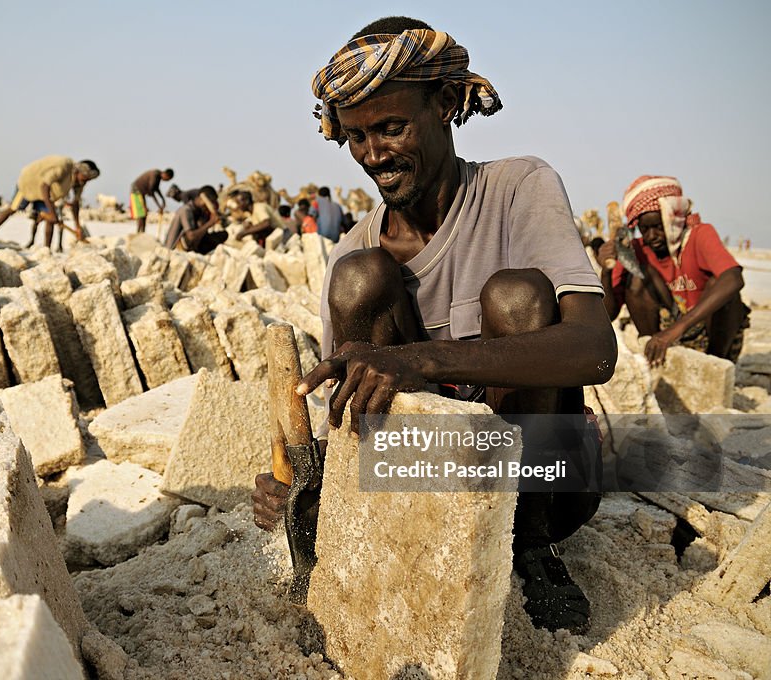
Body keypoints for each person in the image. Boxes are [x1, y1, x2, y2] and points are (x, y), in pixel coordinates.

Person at [251, 16, 616, 635]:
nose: (375, 156)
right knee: (358, 278)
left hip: (548, 482)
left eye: (392, 128)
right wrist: (300, 482)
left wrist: (423, 359)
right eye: (357, 137)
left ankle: (531, 550)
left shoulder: (517, 188)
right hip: (432, 478)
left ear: (446, 105)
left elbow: (594, 348)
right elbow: (349, 413)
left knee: (517, 294)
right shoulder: (355, 253)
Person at [599, 175, 748, 366]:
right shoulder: (635, 251)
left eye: (659, 227)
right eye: (645, 229)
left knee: (723, 288)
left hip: (706, 333)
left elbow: (734, 278)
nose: (652, 236)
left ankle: (716, 364)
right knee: (637, 280)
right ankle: (653, 357)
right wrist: (605, 271)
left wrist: (676, 330)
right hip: (664, 336)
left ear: (674, 218)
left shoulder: (699, 234)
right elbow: (607, 315)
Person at [0, 156, 99, 251]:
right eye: (86, 178)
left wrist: (78, 227)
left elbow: (75, 203)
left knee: (50, 219)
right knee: (14, 208)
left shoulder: (80, 182)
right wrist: (51, 211)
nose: (86, 181)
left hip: (46, 194)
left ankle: (46, 250)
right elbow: (44, 185)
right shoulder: (64, 166)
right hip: (31, 183)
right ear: (80, 171)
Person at [163, 185, 227, 254]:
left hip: (191, 246)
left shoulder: (199, 212)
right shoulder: (186, 210)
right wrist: (210, 223)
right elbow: (191, 237)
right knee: (191, 237)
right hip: (174, 250)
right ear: (203, 199)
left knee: (222, 235)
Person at [130, 168, 174, 233]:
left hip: (141, 193)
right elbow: (151, 191)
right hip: (136, 191)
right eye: (168, 179)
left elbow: (156, 189)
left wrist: (163, 200)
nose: (166, 181)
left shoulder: (158, 176)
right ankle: (138, 233)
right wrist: (159, 206)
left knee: (144, 214)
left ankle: (142, 233)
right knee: (142, 214)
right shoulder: (155, 175)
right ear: (166, 175)